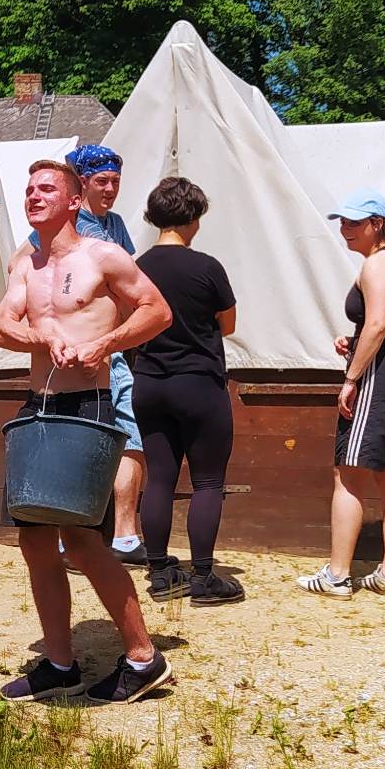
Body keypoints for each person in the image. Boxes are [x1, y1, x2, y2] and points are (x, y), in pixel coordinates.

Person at [0, 159, 174, 703]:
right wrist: (42, 334)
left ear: (74, 201)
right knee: (34, 540)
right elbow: (2, 328)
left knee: (82, 539)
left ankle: (143, 658)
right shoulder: (25, 262)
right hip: (40, 406)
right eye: (29, 189)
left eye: (47, 188)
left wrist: (105, 344)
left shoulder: (103, 255)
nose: (34, 195)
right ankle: (59, 663)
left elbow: (157, 311)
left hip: (88, 405)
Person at [300, 191, 385, 599]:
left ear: (377, 224)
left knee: (348, 472)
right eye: (342, 222)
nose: (345, 230)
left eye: (353, 223)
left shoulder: (376, 264)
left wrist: (352, 377)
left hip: (382, 375)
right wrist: (353, 342)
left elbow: (378, 326)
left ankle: (337, 576)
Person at [131, 176, 242, 606]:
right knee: (208, 481)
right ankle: (203, 577)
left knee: (159, 477)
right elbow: (227, 325)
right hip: (198, 382)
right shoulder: (207, 268)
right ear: (193, 218)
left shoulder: (137, 267)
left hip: (149, 382)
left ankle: (160, 573)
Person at [54, 144, 148, 563]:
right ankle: (68, 537)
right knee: (76, 438)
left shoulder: (116, 225)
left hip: (115, 350)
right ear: (83, 182)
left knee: (129, 434)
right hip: (76, 349)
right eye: (101, 181)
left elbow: (131, 282)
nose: (110, 189)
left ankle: (125, 537)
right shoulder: (67, 224)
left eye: (115, 181)